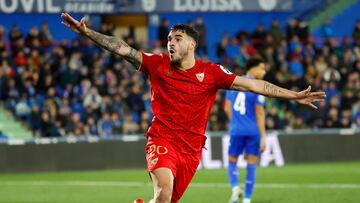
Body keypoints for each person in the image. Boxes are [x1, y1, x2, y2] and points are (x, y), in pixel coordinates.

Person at [61, 13, 326, 203]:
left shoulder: (212, 73)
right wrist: (88, 33)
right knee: (164, 192)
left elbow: (252, 85)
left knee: (165, 200)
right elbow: (124, 49)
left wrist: (293, 95)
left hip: (191, 150)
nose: (170, 43)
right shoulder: (158, 65)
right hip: (161, 139)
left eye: (177, 38)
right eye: (168, 38)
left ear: (192, 44)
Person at [225, 58, 267, 203]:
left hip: (236, 130)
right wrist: (263, 137)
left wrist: (236, 123)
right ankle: (247, 199)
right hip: (252, 131)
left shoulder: (234, 83)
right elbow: (260, 113)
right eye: (261, 68)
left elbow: (226, 107)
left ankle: (235, 187)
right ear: (252, 69)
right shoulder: (258, 86)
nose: (264, 71)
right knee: (251, 164)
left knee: (232, 161)